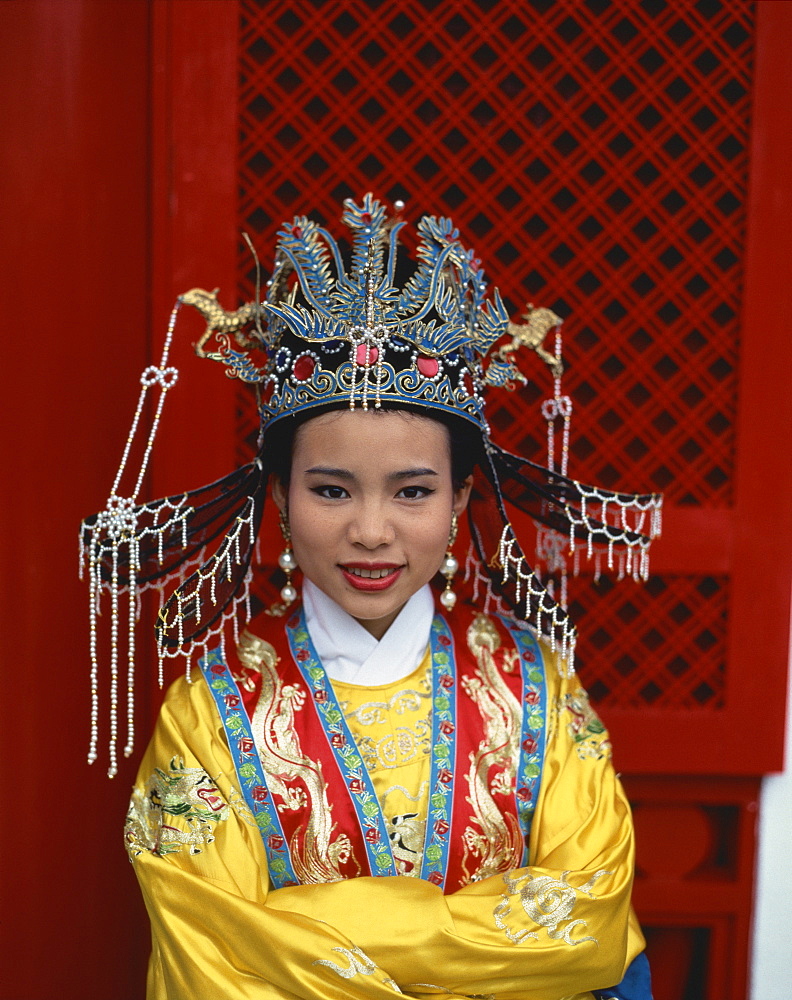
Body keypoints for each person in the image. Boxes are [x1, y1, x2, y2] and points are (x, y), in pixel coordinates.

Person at [84, 195, 659, 999]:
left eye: (413, 492)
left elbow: (591, 928)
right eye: (331, 490)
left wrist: (304, 934)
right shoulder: (211, 713)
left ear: (461, 499)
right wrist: (488, 955)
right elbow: (210, 964)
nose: (371, 530)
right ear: (279, 498)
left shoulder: (537, 695)